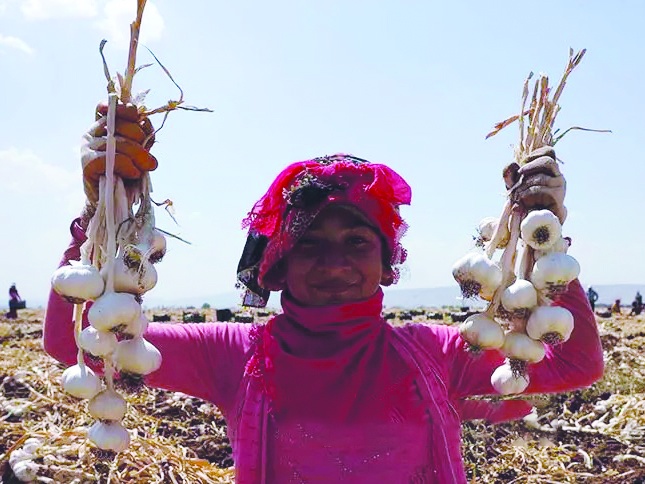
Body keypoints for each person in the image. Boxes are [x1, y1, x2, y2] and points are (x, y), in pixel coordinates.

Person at [43, 103, 604, 483]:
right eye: (309, 243)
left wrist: (544, 237)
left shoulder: (437, 352)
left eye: (358, 241)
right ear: (277, 264)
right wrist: (101, 216)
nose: (334, 262)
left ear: (386, 263)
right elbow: (78, 347)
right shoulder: (232, 354)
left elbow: (576, 364)